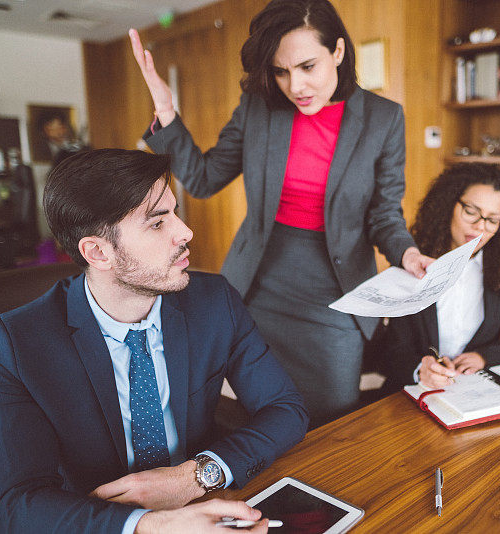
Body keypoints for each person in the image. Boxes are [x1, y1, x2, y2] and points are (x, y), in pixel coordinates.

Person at [129, 0, 432, 426]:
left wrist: (406, 253)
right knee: (256, 414)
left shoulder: (382, 119)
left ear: (339, 53)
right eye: (281, 71)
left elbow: (384, 214)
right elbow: (202, 178)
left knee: (330, 417)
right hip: (258, 286)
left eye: (308, 66)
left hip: (337, 294)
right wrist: (166, 113)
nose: (296, 85)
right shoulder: (259, 107)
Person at [0, 149, 308, 534]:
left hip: (203, 503)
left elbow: (285, 407)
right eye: (157, 223)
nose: (185, 232)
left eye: (174, 212)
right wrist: (148, 525)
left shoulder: (214, 299)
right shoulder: (19, 342)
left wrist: (198, 475)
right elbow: (12, 507)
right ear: (98, 252)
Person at [382, 163, 500, 390]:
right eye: (471, 211)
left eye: (492, 220)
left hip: (472, 390)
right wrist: (419, 370)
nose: (480, 226)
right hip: (411, 393)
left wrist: (484, 356)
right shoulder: (414, 263)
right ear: (449, 205)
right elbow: (392, 351)